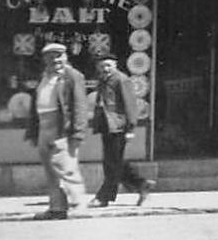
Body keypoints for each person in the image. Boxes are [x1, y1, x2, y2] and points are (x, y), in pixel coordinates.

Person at [24, 42, 89, 219]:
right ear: (45, 59)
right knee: (51, 170)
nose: (56, 60)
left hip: (62, 127)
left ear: (66, 57)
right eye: (51, 57)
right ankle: (57, 207)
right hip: (43, 126)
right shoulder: (43, 77)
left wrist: (78, 133)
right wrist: (33, 131)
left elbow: (80, 106)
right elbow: (35, 105)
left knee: (67, 168)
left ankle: (79, 205)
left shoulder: (73, 76)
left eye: (59, 56)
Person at [90, 54, 154, 206]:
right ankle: (141, 184)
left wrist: (130, 127)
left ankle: (104, 197)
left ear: (115, 65)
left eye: (108, 65)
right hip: (107, 125)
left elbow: (130, 105)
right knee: (113, 161)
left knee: (113, 163)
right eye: (102, 66)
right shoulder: (103, 80)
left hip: (118, 126)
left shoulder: (122, 79)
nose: (105, 68)